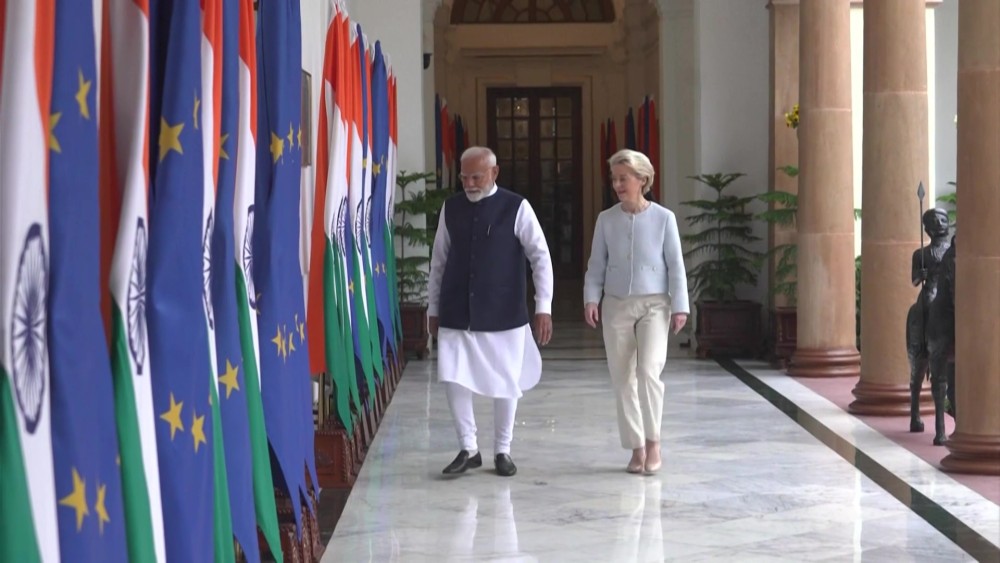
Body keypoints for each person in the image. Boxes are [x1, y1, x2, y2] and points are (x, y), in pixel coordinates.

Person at [428, 146, 554, 477]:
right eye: (464, 178)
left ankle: (503, 450)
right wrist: (433, 307)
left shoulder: (516, 207)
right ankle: (468, 448)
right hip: (457, 308)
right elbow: (439, 261)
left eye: (476, 177)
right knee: (453, 376)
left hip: (504, 310)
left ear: (494, 173)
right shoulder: (451, 208)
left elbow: (540, 256)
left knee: (506, 380)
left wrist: (543, 306)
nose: (469, 184)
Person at [583, 149, 689, 475]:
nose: (617, 185)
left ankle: (654, 443)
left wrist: (680, 307)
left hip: (655, 304)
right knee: (622, 378)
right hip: (616, 304)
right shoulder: (606, 219)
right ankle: (636, 447)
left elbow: (676, 265)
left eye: (623, 178)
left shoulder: (664, 218)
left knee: (648, 371)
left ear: (642, 179)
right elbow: (596, 264)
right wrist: (591, 299)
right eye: (614, 179)